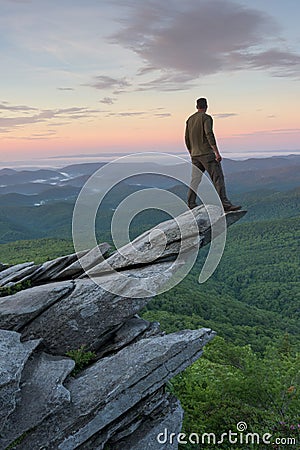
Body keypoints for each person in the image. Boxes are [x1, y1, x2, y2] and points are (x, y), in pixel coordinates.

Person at [185, 98, 241, 212]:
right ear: (206, 106)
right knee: (217, 178)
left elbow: (186, 138)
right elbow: (209, 134)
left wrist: (191, 152)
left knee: (195, 180)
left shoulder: (190, 120)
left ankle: (191, 203)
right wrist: (216, 152)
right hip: (207, 154)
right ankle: (225, 204)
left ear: (197, 106)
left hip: (195, 155)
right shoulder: (206, 118)